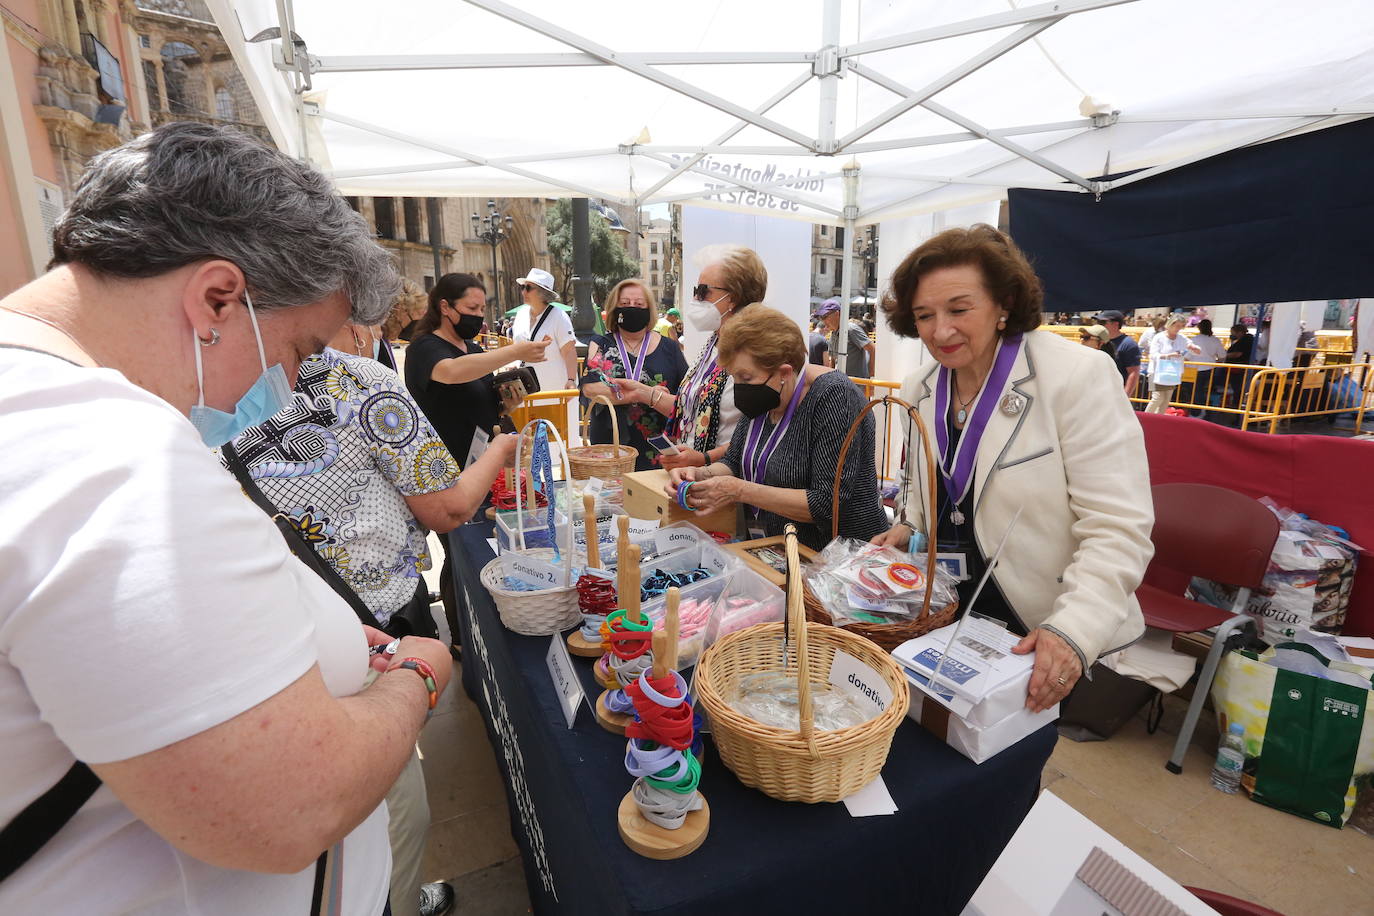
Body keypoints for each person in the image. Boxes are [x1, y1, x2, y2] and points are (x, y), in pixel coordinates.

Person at [0, 122, 452, 915]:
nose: (295, 381)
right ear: (216, 300)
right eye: (298, 351)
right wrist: (415, 677)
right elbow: (293, 807)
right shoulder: (117, 456)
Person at [230, 322, 517, 916]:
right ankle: (397, 900)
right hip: (373, 617)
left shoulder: (195, 400)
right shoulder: (360, 381)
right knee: (392, 802)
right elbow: (451, 506)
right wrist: (503, 449)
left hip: (271, 624)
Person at [870, 225, 1152, 713]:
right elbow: (928, 491)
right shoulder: (920, 385)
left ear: (1004, 302)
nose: (940, 330)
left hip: (1037, 625)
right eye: (924, 316)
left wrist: (1073, 629)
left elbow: (1118, 528)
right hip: (947, 616)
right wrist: (910, 529)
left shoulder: (1075, 376)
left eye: (959, 309)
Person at [403, 273, 548, 654]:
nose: (478, 316)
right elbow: (451, 375)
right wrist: (516, 351)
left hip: (484, 467)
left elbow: (480, 401)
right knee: (457, 554)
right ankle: (461, 640)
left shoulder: (469, 345)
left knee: (478, 552)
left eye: (482, 309)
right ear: (444, 307)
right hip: (446, 473)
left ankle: (482, 629)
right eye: (471, 309)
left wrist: (507, 403)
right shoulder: (426, 349)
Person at [663, 306, 886, 551]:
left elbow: (825, 503)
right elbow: (734, 461)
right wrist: (699, 474)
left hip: (837, 561)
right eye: (734, 377)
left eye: (746, 378)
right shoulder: (767, 396)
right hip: (781, 552)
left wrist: (738, 490)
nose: (739, 387)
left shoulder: (835, 397)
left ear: (784, 372)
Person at [660, 244, 768, 471]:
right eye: (695, 291)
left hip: (728, 481)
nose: (695, 299)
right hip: (693, 477)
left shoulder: (755, 352)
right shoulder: (713, 343)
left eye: (703, 291)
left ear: (733, 298)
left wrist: (705, 458)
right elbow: (695, 405)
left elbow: (761, 431)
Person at [580, 279, 689, 469]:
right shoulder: (601, 344)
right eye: (624, 304)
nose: (632, 308)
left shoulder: (670, 348)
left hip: (656, 450)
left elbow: (687, 398)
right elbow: (591, 388)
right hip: (610, 449)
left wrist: (620, 392)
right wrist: (643, 394)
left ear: (649, 309)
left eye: (639, 304)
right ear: (615, 308)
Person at [511, 267, 578, 395]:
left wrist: (571, 380)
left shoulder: (559, 316)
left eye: (528, 288)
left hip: (555, 390)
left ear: (543, 293)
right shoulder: (520, 315)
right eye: (523, 287)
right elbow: (516, 347)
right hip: (526, 390)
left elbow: (569, 351)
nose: (524, 291)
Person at [1145, 316, 1201, 414]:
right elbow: (1153, 354)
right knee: (1157, 398)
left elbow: (1194, 350)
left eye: (1181, 326)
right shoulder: (1159, 337)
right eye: (1176, 325)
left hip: (1172, 372)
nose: (1178, 328)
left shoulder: (1181, 338)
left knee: (1166, 401)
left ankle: (1159, 421)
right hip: (1156, 371)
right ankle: (1145, 419)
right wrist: (1169, 355)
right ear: (1170, 324)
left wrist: (1195, 349)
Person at [817, 298, 874, 379]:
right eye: (821, 318)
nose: (823, 321)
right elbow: (833, 360)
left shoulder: (850, 329)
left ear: (837, 314)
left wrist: (871, 376)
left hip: (857, 384)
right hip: (842, 383)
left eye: (825, 316)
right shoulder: (833, 333)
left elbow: (872, 348)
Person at [1186, 318, 1228, 414]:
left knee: (1194, 391)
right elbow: (1222, 356)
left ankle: (1196, 412)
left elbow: (1187, 356)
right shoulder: (1215, 340)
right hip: (1210, 368)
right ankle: (1204, 411)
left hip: (1194, 369)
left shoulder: (1194, 340)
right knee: (1205, 390)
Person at [1098, 309, 1141, 399]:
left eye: (1102, 322)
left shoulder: (1128, 344)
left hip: (1116, 394)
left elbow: (1133, 372)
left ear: (1116, 324)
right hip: (1099, 391)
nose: (1099, 325)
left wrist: (1125, 397)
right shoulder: (1099, 341)